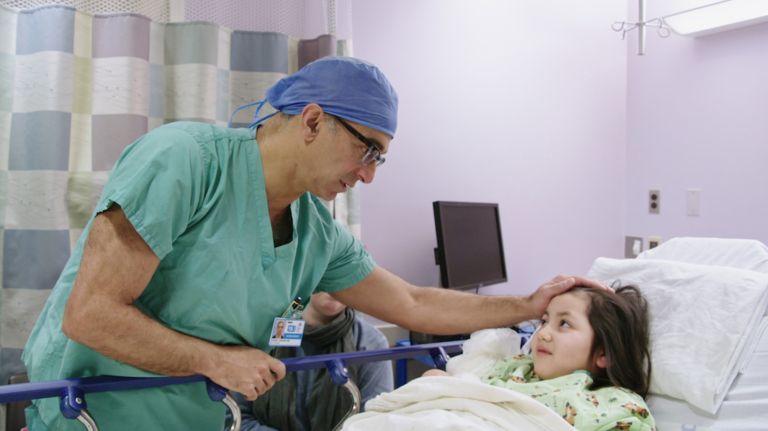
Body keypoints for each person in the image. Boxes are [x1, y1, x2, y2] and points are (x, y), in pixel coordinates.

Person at [22, 56, 606, 430]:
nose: (371, 173)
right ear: (311, 120)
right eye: (368, 150)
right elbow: (90, 314)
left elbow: (412, 304)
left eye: (382, 157)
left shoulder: (316, 231)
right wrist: (216, 360)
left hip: (197, 416)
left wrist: (529, 305)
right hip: (91, 412)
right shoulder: (184, 162)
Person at [425, 285, 655, 430]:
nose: (542, 333)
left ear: (603, 353)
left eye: (564, 324)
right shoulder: (516, 367)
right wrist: (439, 382)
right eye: (544, 321)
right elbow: (472, 396)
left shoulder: (616, 403)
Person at [231, 292, 393, 431]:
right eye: (327, 271)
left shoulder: (371, 342)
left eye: (343, 275)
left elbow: (375, 421)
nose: (336, 285)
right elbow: (236, 418)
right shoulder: (261, 336)